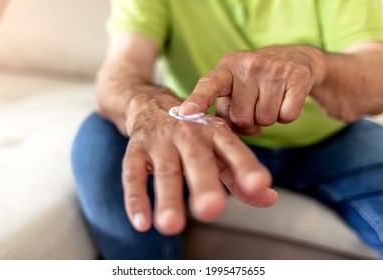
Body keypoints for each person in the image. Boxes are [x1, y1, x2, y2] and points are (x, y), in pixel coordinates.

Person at [71, 0, 383, 259]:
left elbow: (375, 79)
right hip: (201, 135)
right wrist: (148, 109)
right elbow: (120, 70)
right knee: (101, 137)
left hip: (330, 139)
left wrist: (312, 62)